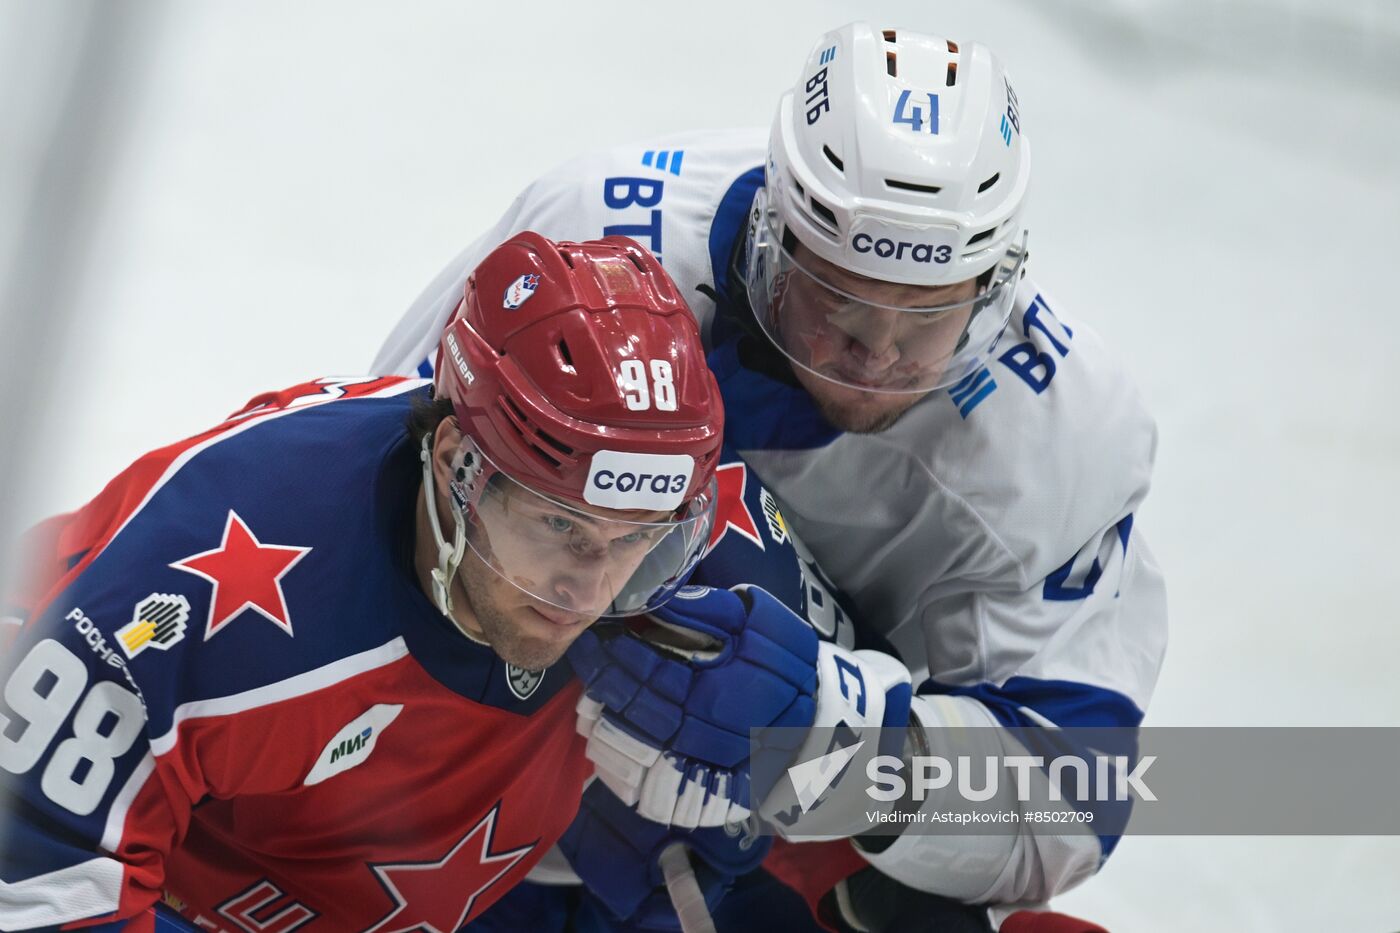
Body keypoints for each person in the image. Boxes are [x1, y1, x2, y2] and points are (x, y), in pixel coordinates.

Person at [376, 21, 1168, 928]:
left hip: (785, 839)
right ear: (774, 231)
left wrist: (841, 743)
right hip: (485, 771)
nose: (874, 358)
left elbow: (1072, 794)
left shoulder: (1062, 434)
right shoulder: (589, 240)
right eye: (840, 298)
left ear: (994, 283)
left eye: (927, 317)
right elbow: (399, 485)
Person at [0, 232, 823, 931]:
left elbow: (943, 796)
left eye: (638, 541)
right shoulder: (200, 587)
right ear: (457, 465)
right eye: (559, 528)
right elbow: (30, 874)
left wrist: (826, 754)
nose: (589, 591)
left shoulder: (719, 562)